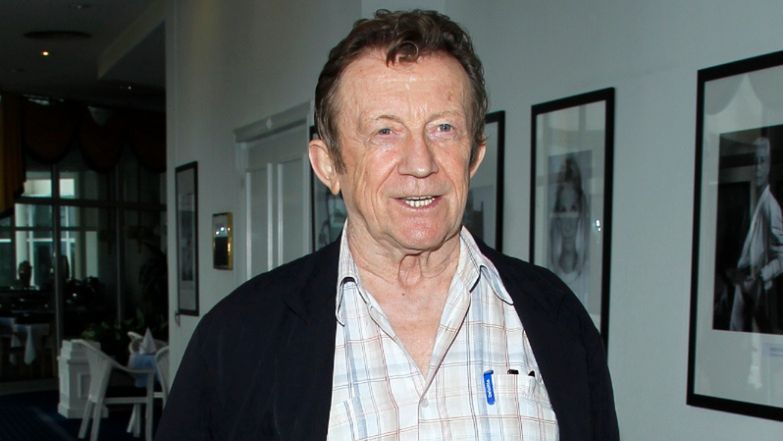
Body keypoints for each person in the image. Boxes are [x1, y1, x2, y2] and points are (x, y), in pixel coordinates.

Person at [156, 9, 618, 441]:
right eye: (385, 131)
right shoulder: (238, 339)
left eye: (443, 128)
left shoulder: (556, 317)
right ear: (328, 165)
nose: (420, 163)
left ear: (475, 155)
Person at [730, 137, 783, 332]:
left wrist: (762, 276)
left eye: (762, 161)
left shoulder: (771, 207)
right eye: (754, 161)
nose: (758, 168)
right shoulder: (752, 201)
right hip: (741, 284)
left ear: (768, 166)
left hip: (756, 289)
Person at [549, 155, 591, 306]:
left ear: (580, 215)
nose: (568, 222)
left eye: (573, 209)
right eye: (562, 210)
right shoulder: (548, 276)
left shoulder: (587, 274)